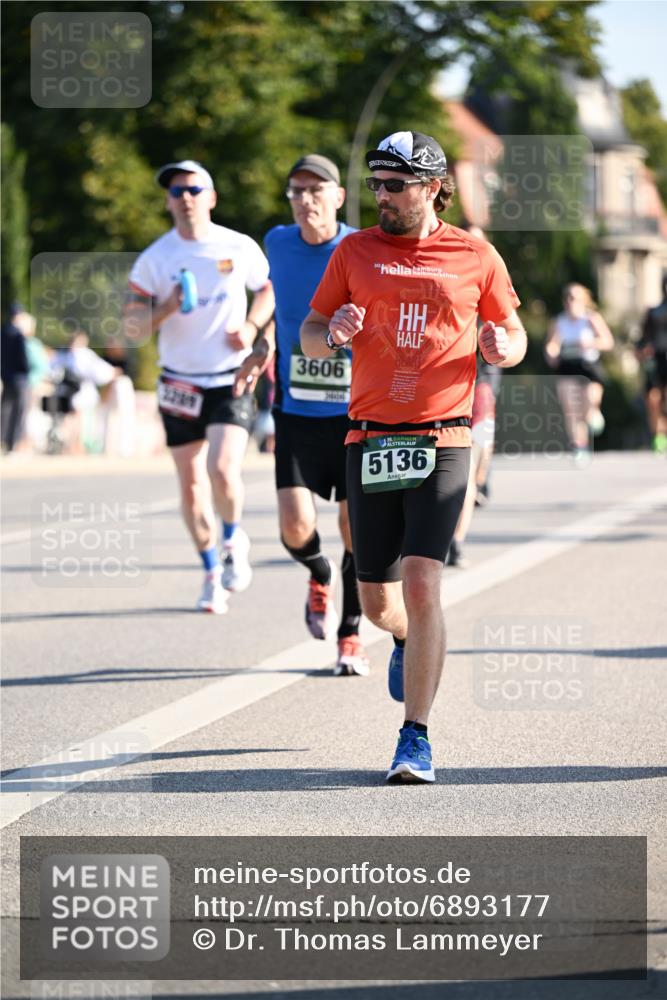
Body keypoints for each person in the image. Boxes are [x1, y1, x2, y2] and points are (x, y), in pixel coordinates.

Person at [300, 131, 527, 782]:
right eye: (375, 184)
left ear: (431, 187)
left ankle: (414, 737)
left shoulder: (473, 253)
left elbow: (512, 332)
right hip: (370, 437)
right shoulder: (353, 251)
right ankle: (401, 638)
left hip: (444, 435)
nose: (382, 197)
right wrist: (329, 334)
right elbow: (314, 331)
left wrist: (500, 346)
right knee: (377, 603)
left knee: (424, 577)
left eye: (395, 185)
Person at [236, 154, 369, 676]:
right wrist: (260, 344)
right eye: (295, 191)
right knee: (294, 526)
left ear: (338, 197)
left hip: (357, 411)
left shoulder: (361, 249)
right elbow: (283, 308)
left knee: (355, 527)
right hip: (295, 407)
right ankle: (319, 573)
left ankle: (351, 635)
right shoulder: (277, 243)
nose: (305, 199)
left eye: (316, 190)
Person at [124, 159, 274, 614]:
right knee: (190, 486)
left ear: (211, 197)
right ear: (168, 202)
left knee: (223, 470)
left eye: (193, 189)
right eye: (175, 191)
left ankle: (232, 539)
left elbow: (269, 290)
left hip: (229, 376)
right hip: (178, 383)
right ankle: (211, 572)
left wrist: (250, 327)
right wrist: (166, 308)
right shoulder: (156, 258)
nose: (184, 197)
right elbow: (132, 329)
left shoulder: (238, 246)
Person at [446, 224, 502, 568]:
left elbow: (512, 335)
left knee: (475, 470)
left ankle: (456, 540)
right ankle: (454, 542)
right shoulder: (444, 278)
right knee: (464, 474)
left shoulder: (493, 282)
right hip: (446, 392)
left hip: (481, 392)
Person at [544, 283, 614, 460]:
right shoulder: (559, 321)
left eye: (574, 297)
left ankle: (595, 413)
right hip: (568, 366)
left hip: (589, 366)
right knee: (571, 408)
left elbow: (608, 341)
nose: (570, 301)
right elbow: (552, 344)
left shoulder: (591, 319)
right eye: (567, 297)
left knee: (589, 403)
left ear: (583, 300)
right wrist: (551, 353)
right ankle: (579, 446)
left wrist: (591, 343)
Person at [637, 275, 667, 453]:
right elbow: (643, 338)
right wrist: (641, 350)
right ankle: (659, 434)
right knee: (653, 399)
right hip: (655, 360)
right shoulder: (653, 312)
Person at [1, 304, 31, 453]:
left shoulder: (2, 332)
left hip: (6, 377)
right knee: (18, 412)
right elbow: (23, 359)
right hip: (19, 378)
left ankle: (2, 441)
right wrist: (27, 371)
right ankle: (12, 444)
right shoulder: (19, 335)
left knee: (5, 410)